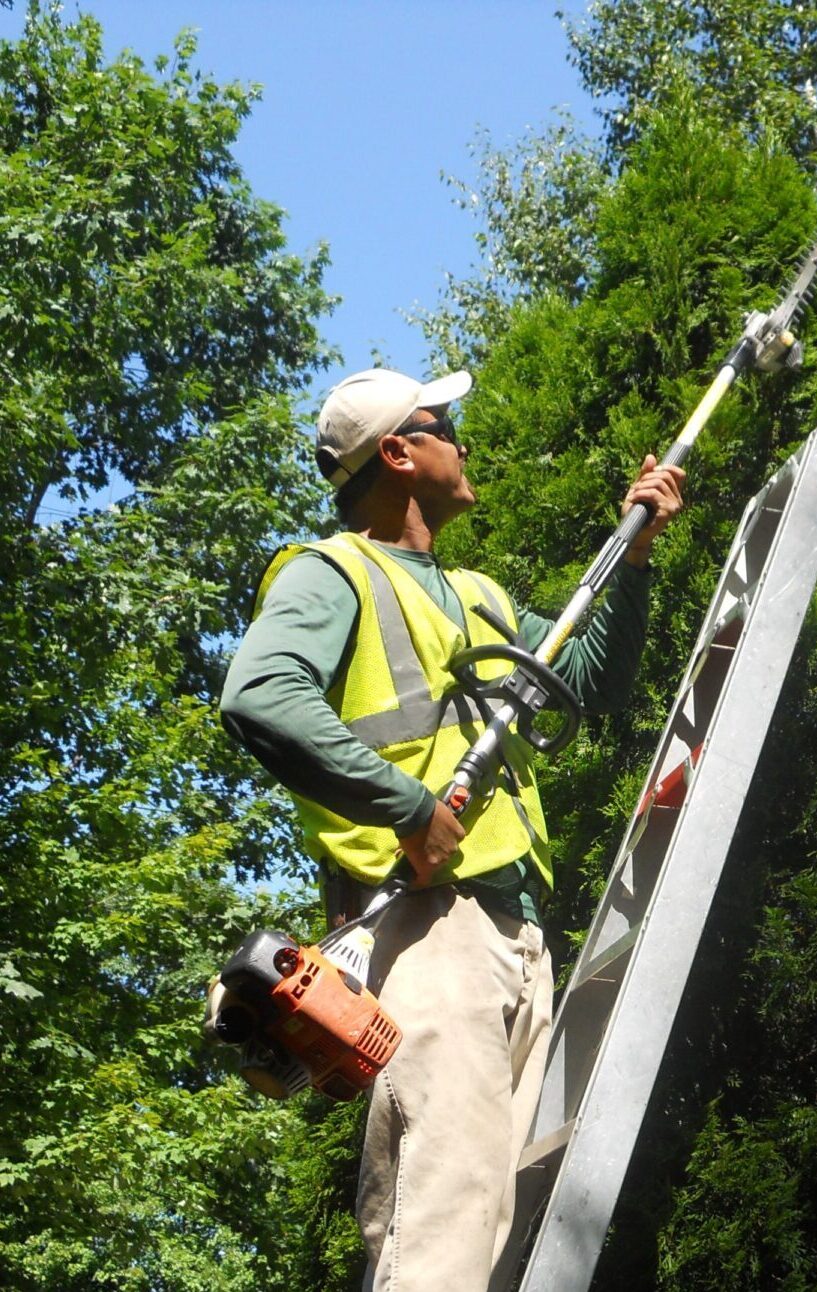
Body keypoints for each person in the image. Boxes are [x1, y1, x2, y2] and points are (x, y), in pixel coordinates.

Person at [220, 366, 684, 1291]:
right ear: (399, 452)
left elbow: (589, 680)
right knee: (443, 1213)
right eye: (447, 425)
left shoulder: (480, 597)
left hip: (514, 936)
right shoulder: (332, 573)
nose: (463, 442)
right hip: (427, 930)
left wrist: (630, 562)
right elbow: (260, 696)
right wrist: (409, 808)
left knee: (488, 1225)